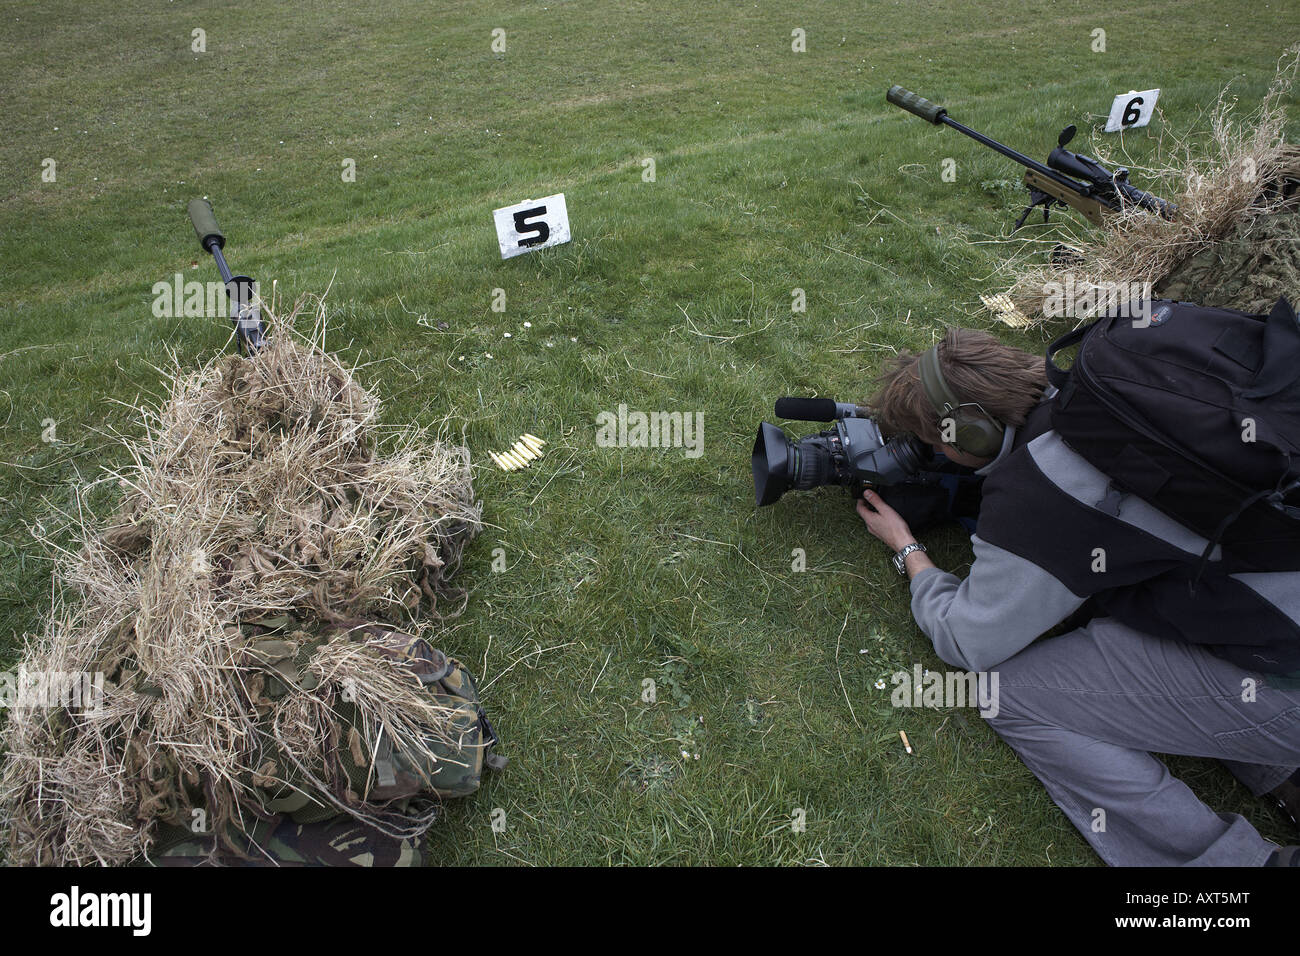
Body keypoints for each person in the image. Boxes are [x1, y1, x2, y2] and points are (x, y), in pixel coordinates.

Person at [855, 326, 1300, 866]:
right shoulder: (1102, 386)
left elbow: (966, 639)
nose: (937, 454)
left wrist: (909, 551)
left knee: (1009, 694)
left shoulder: (1044, 490)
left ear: (970, 433)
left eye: (935, 443)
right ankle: (1279, 768)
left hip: (1284, 675)